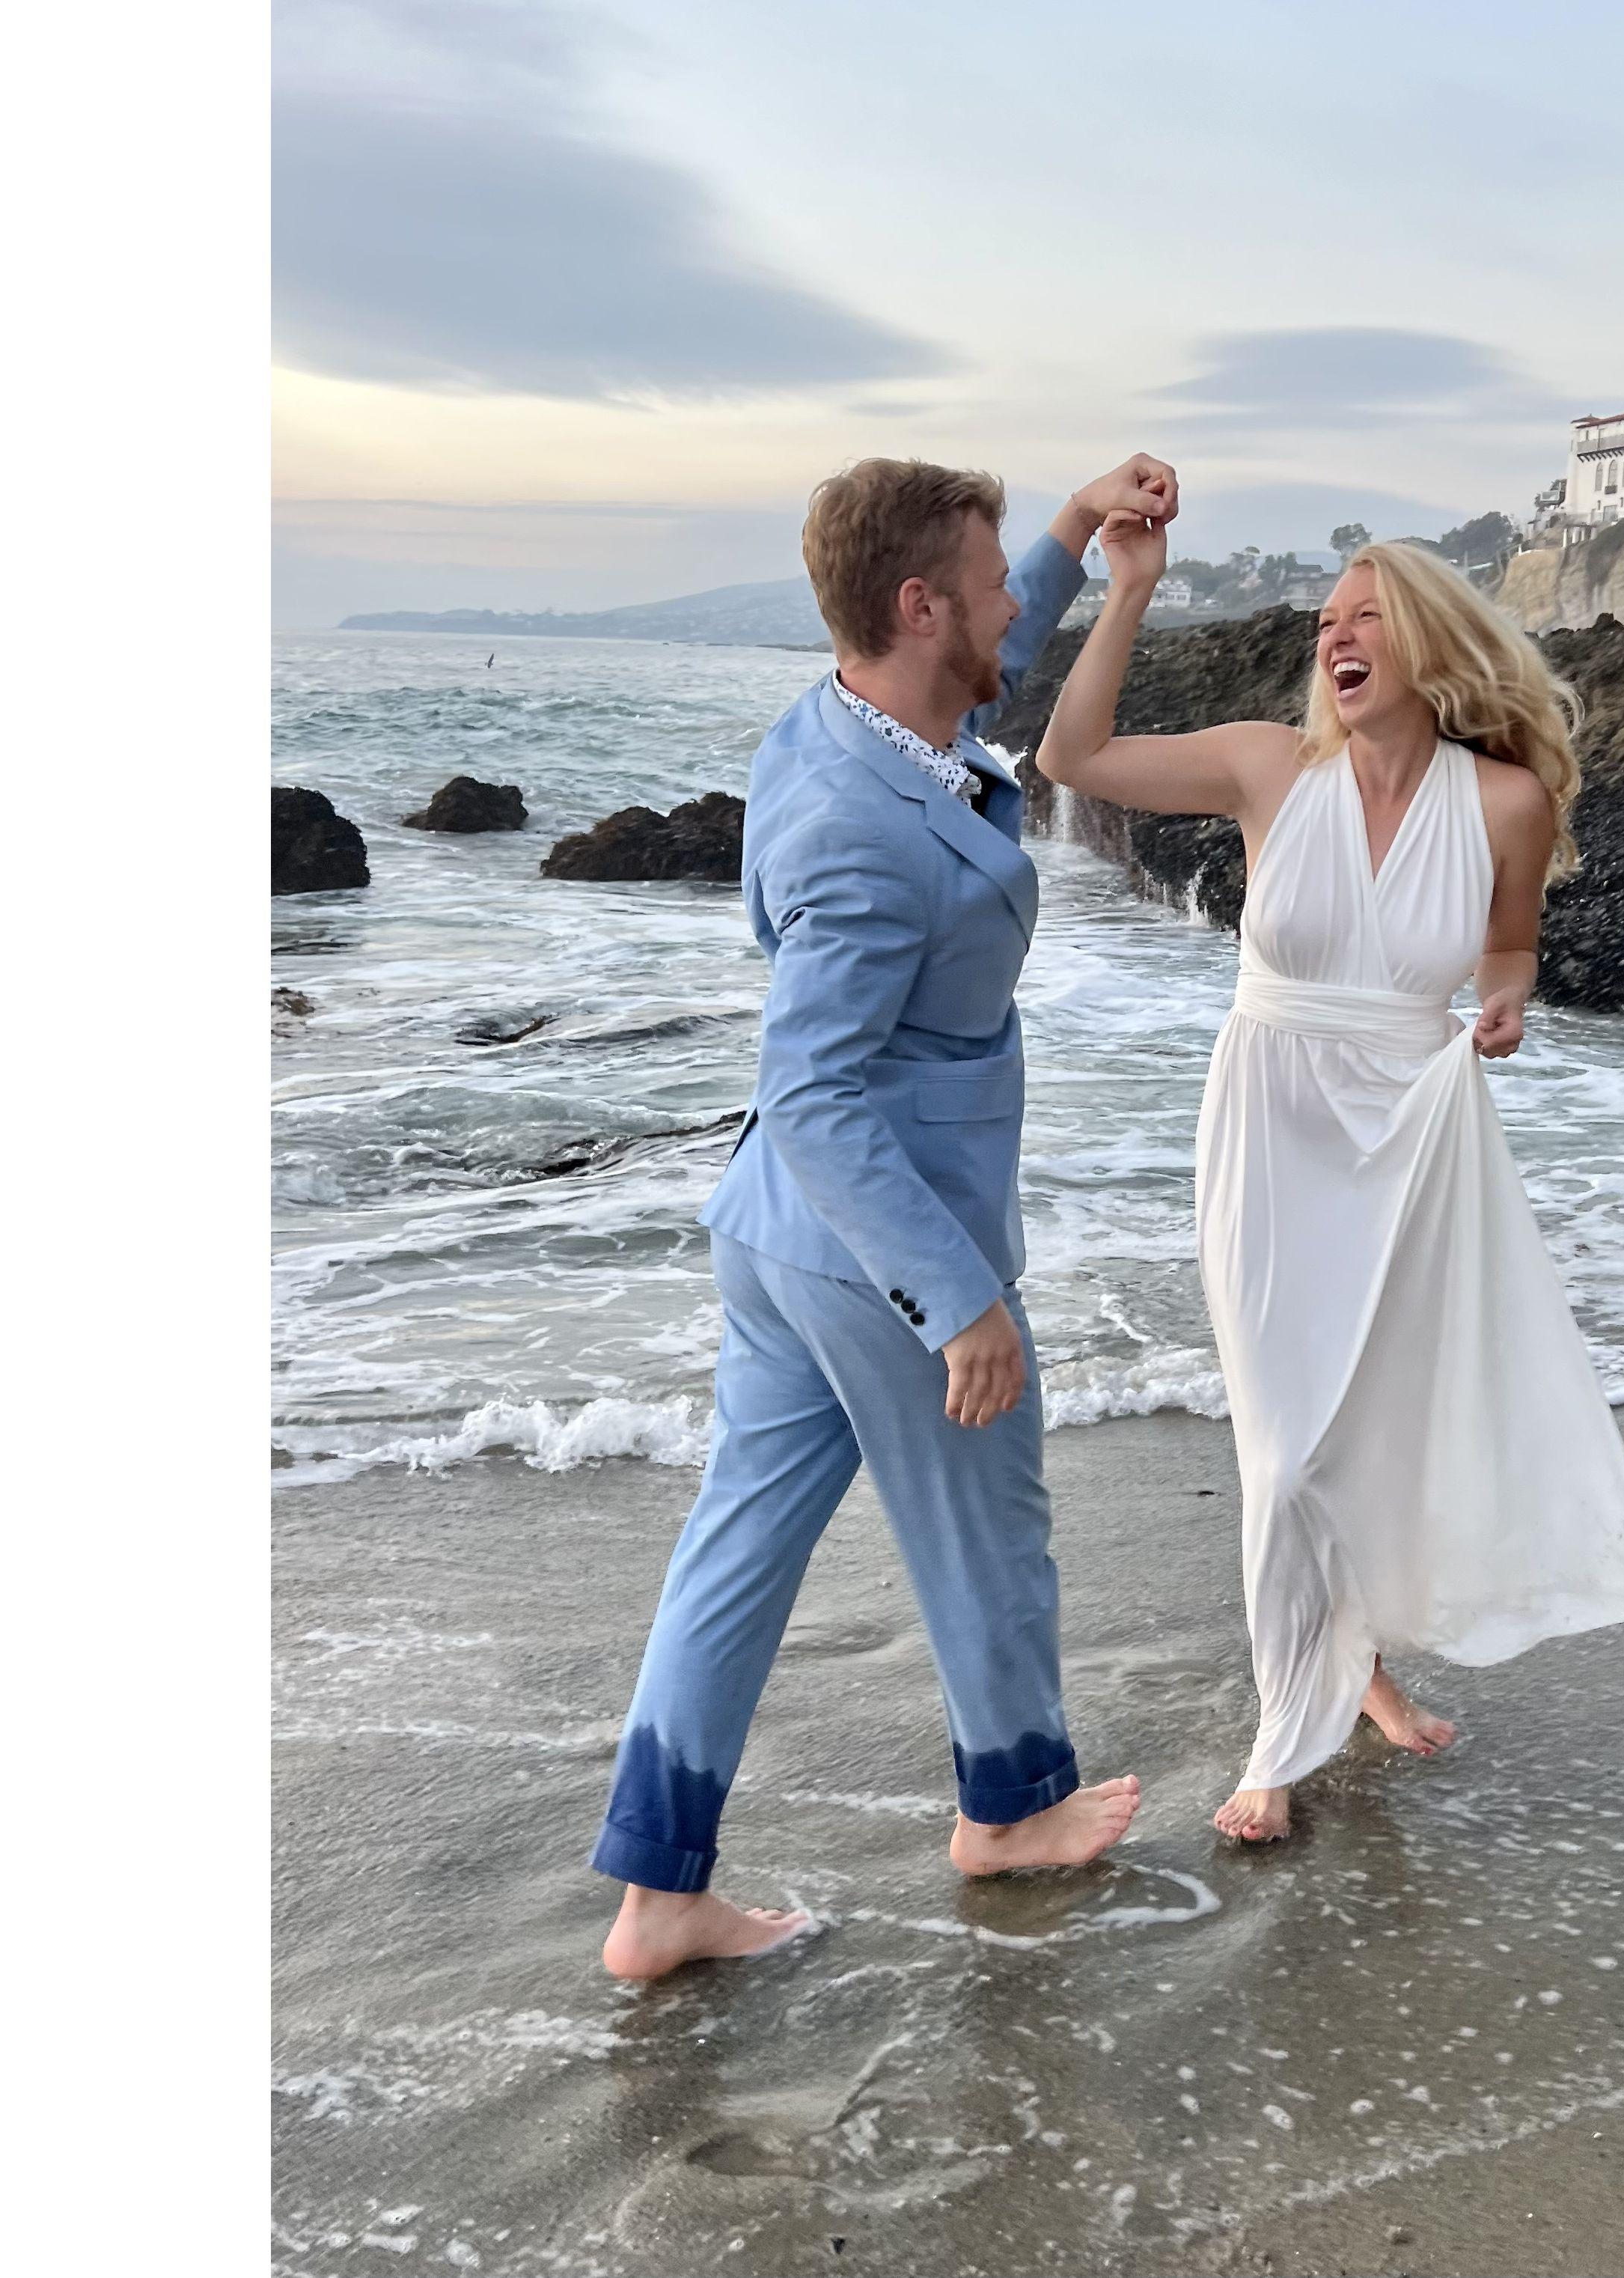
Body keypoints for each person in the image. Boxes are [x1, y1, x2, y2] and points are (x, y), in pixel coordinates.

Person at [592, 454, 1178, 1979]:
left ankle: (658, 1894)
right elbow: (815, 1089)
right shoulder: (862, 828)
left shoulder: (854, 721)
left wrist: (1064, 530)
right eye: (984, 588)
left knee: (738, 1546)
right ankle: (1011, 1807)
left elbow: (993, 657)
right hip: (876, 1242)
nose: (1007, 612)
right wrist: (958, 1299)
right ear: (920, 607)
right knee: (991, 1527)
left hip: (777, 1237)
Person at [1037, 520, 1624, 1842]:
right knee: (1285, 1439)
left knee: (1367, 1421)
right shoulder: (1268, 769)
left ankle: (1359, 1668)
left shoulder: (1507, 801)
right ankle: (1286, 1735)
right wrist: (1131, 592)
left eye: (1366, 617)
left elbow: (1509, 948)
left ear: (1430, 641)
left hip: (1410, 1127)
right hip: (1270, 1121)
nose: (1335, 634)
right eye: (1327, 618)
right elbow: (1070, 758)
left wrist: (1503, 1007)